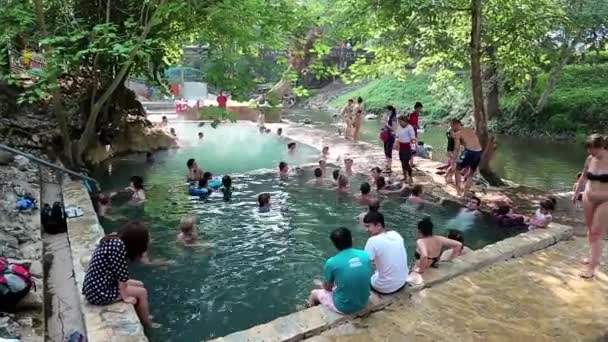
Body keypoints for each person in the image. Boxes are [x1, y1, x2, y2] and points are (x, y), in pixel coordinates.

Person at [83, 222, 159, 328]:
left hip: (96, 285)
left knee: (140, 284)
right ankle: (148, 324)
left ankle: (143, 314)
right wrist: (125, 296)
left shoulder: (115, 238)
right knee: (142, 292)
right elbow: (122, 275)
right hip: (99, 292)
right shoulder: (119, 247)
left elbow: (120, 275)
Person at [307, 227, 372, 314]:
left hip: (344, 307)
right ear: (351, 239)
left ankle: (309, 310)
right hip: (364, 302)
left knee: (314, 293)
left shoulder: (332, 262)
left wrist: (324, 285)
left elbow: (328, 288)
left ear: (334, 244)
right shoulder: (365, 255)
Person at [573, 134, 608, 278]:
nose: (591, 152)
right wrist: (576, 193)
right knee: (589, 229)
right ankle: (592, 256)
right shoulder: (590, 159)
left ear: (602, 146)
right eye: (589, 149)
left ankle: (593, 268)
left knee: (596, 232)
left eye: (594, 149)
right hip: (589, 197)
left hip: (605, 199)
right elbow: (584, 177)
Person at [363, 212, 408, 294]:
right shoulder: (396, 234)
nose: (366, 230)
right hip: (403, 281)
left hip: (385, 288)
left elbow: (363, 264)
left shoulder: (372, 241)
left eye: (368, 226)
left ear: (379, 225)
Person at [450, 119, 483, 196]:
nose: (451, 127)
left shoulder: (458, 133)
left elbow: (457, 148)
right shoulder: (470, 129)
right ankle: (466, 193)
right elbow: (469, 140)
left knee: (457, 170)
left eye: (452, 126)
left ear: (456, 124)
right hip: (478, 152)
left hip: (469, 152)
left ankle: (458, 192)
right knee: (471, 173)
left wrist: (454, 160)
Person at [395, 115, 416, 184]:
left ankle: (410, 177)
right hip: (401, 146)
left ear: (405, 121)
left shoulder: (409, 128)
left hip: (407, 147)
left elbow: (413, 138)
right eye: (399, 122)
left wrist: (413, 147)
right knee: (402, 161)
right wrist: (396, 143)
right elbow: (397, 136)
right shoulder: (399, 127)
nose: (400, 123)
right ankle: (405, 176)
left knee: (406, 163)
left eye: (401, 122)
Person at [381, 106, 398, 173]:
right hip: (386, 136)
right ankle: (387, 165)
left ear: (390, 111)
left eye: (387, 110)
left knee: (389, 151)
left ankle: (389, 167)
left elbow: (394, 128)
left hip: (391, 136)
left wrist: (386, 124)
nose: (386, 112)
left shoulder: (393, 118)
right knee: (386, 151)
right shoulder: (389, 117)